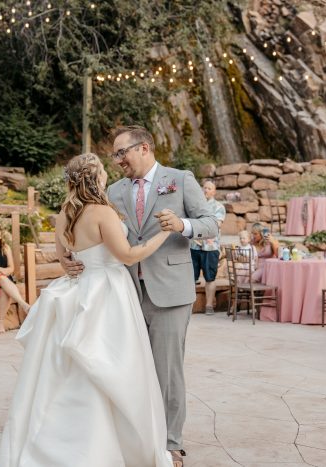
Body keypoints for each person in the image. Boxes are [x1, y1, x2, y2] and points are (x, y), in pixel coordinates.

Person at [0, 153, 173, 467]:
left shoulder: (64, 212)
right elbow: (128, 255)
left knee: (72, 370)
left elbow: (63, 256)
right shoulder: (102, 212)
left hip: (78, 290)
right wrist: (165, 234)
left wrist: (69, 264)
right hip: (108, 292)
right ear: (97, 178)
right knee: (113, 364)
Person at [62, 126, 218, 467]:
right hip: (122, 294)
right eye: (115, 156)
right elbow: (86, 229)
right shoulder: (113, 191)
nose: (117, 161)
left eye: (122, 153)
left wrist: (182, 225)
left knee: (167, 371)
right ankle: (135, 438)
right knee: (128, 370)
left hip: (170, 292)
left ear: (144, 148)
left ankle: (170, 444)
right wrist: (68, 258)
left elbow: (211, 223)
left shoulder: (179, 178)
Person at [190, 179, 225, 315]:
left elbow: (216, 225)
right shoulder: (195, 206)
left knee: (210, 277)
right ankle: (190, 307)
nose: (206, 190)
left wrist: (199, 232)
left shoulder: (218, 207)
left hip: (210, 248)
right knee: (191, 278)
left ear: (214, 191)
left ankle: (209, 306)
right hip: (194, 246)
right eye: (204, 188)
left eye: (209, 188)